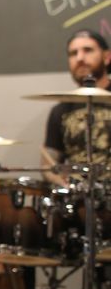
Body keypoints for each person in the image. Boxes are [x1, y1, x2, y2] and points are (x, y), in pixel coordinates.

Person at [42, 29, 111, 181]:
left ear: (107, 57)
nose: (80, 58)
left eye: (88, 50)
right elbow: (48, 165)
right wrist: (62, 184)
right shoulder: (60, 110)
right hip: (78, 192)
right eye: (73, 53)